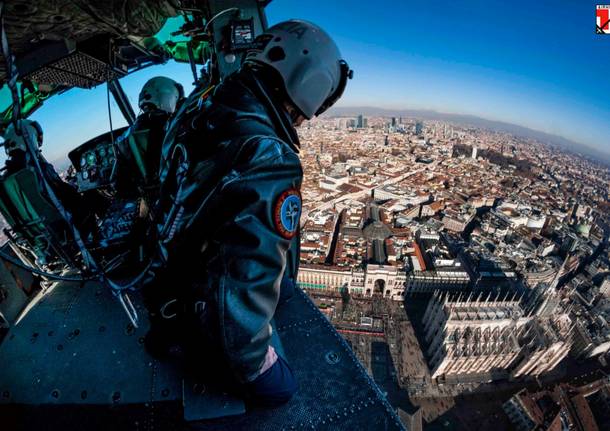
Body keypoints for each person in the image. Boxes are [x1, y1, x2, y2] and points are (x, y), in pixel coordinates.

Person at [144, 20, 352, 407]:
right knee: (284, 387)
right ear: (308, 84)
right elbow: (243, 278)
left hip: (162, 283)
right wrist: (251, 362)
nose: (307, 119)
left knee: (282, 292)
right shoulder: (269, 157)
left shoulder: (200, 105)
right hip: (194, 309)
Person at [115, 76, 184, 198]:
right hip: (177, 191)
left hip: (150, 196)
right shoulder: (173, 125)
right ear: (169, 98)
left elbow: (121, 185)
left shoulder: (129, 134)